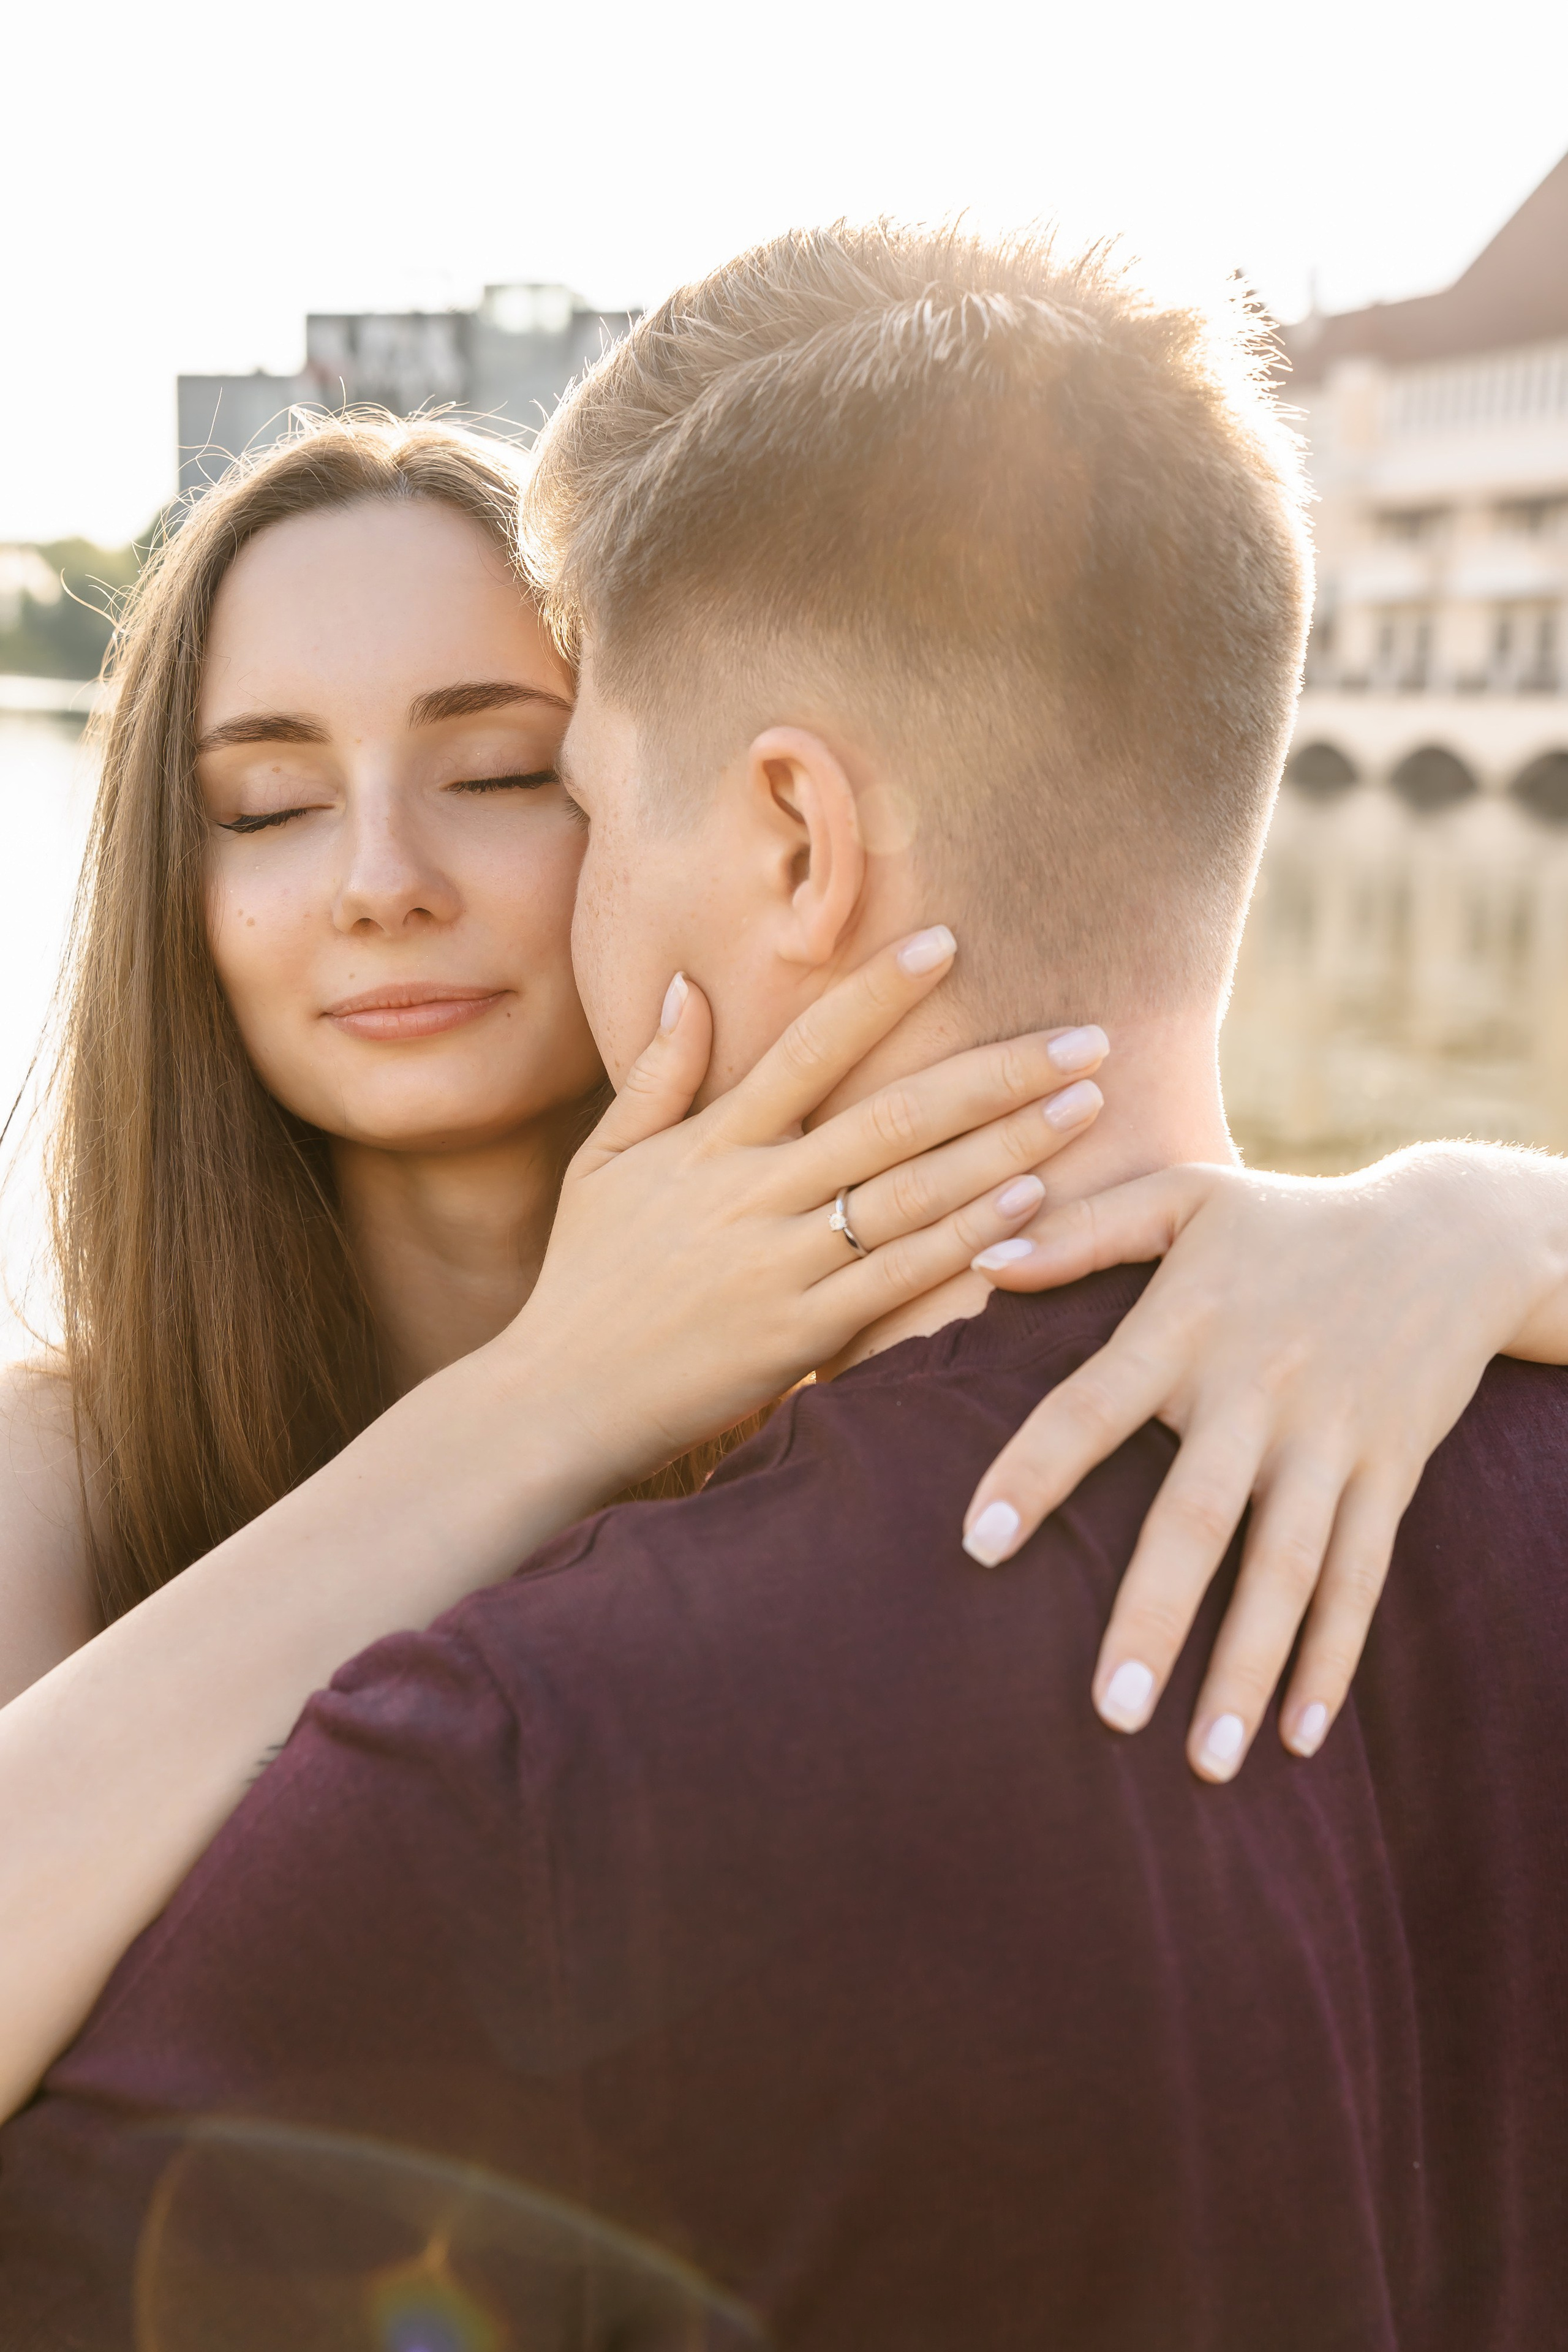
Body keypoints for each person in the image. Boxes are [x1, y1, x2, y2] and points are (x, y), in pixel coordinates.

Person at [3, 223, 1565, 2347]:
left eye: (518, 771)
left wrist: (1476, 1213)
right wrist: (540, 1400)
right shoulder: (74, 1480)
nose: (383, 878)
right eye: (265, 801)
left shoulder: (1280, 1352)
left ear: (787, 832)